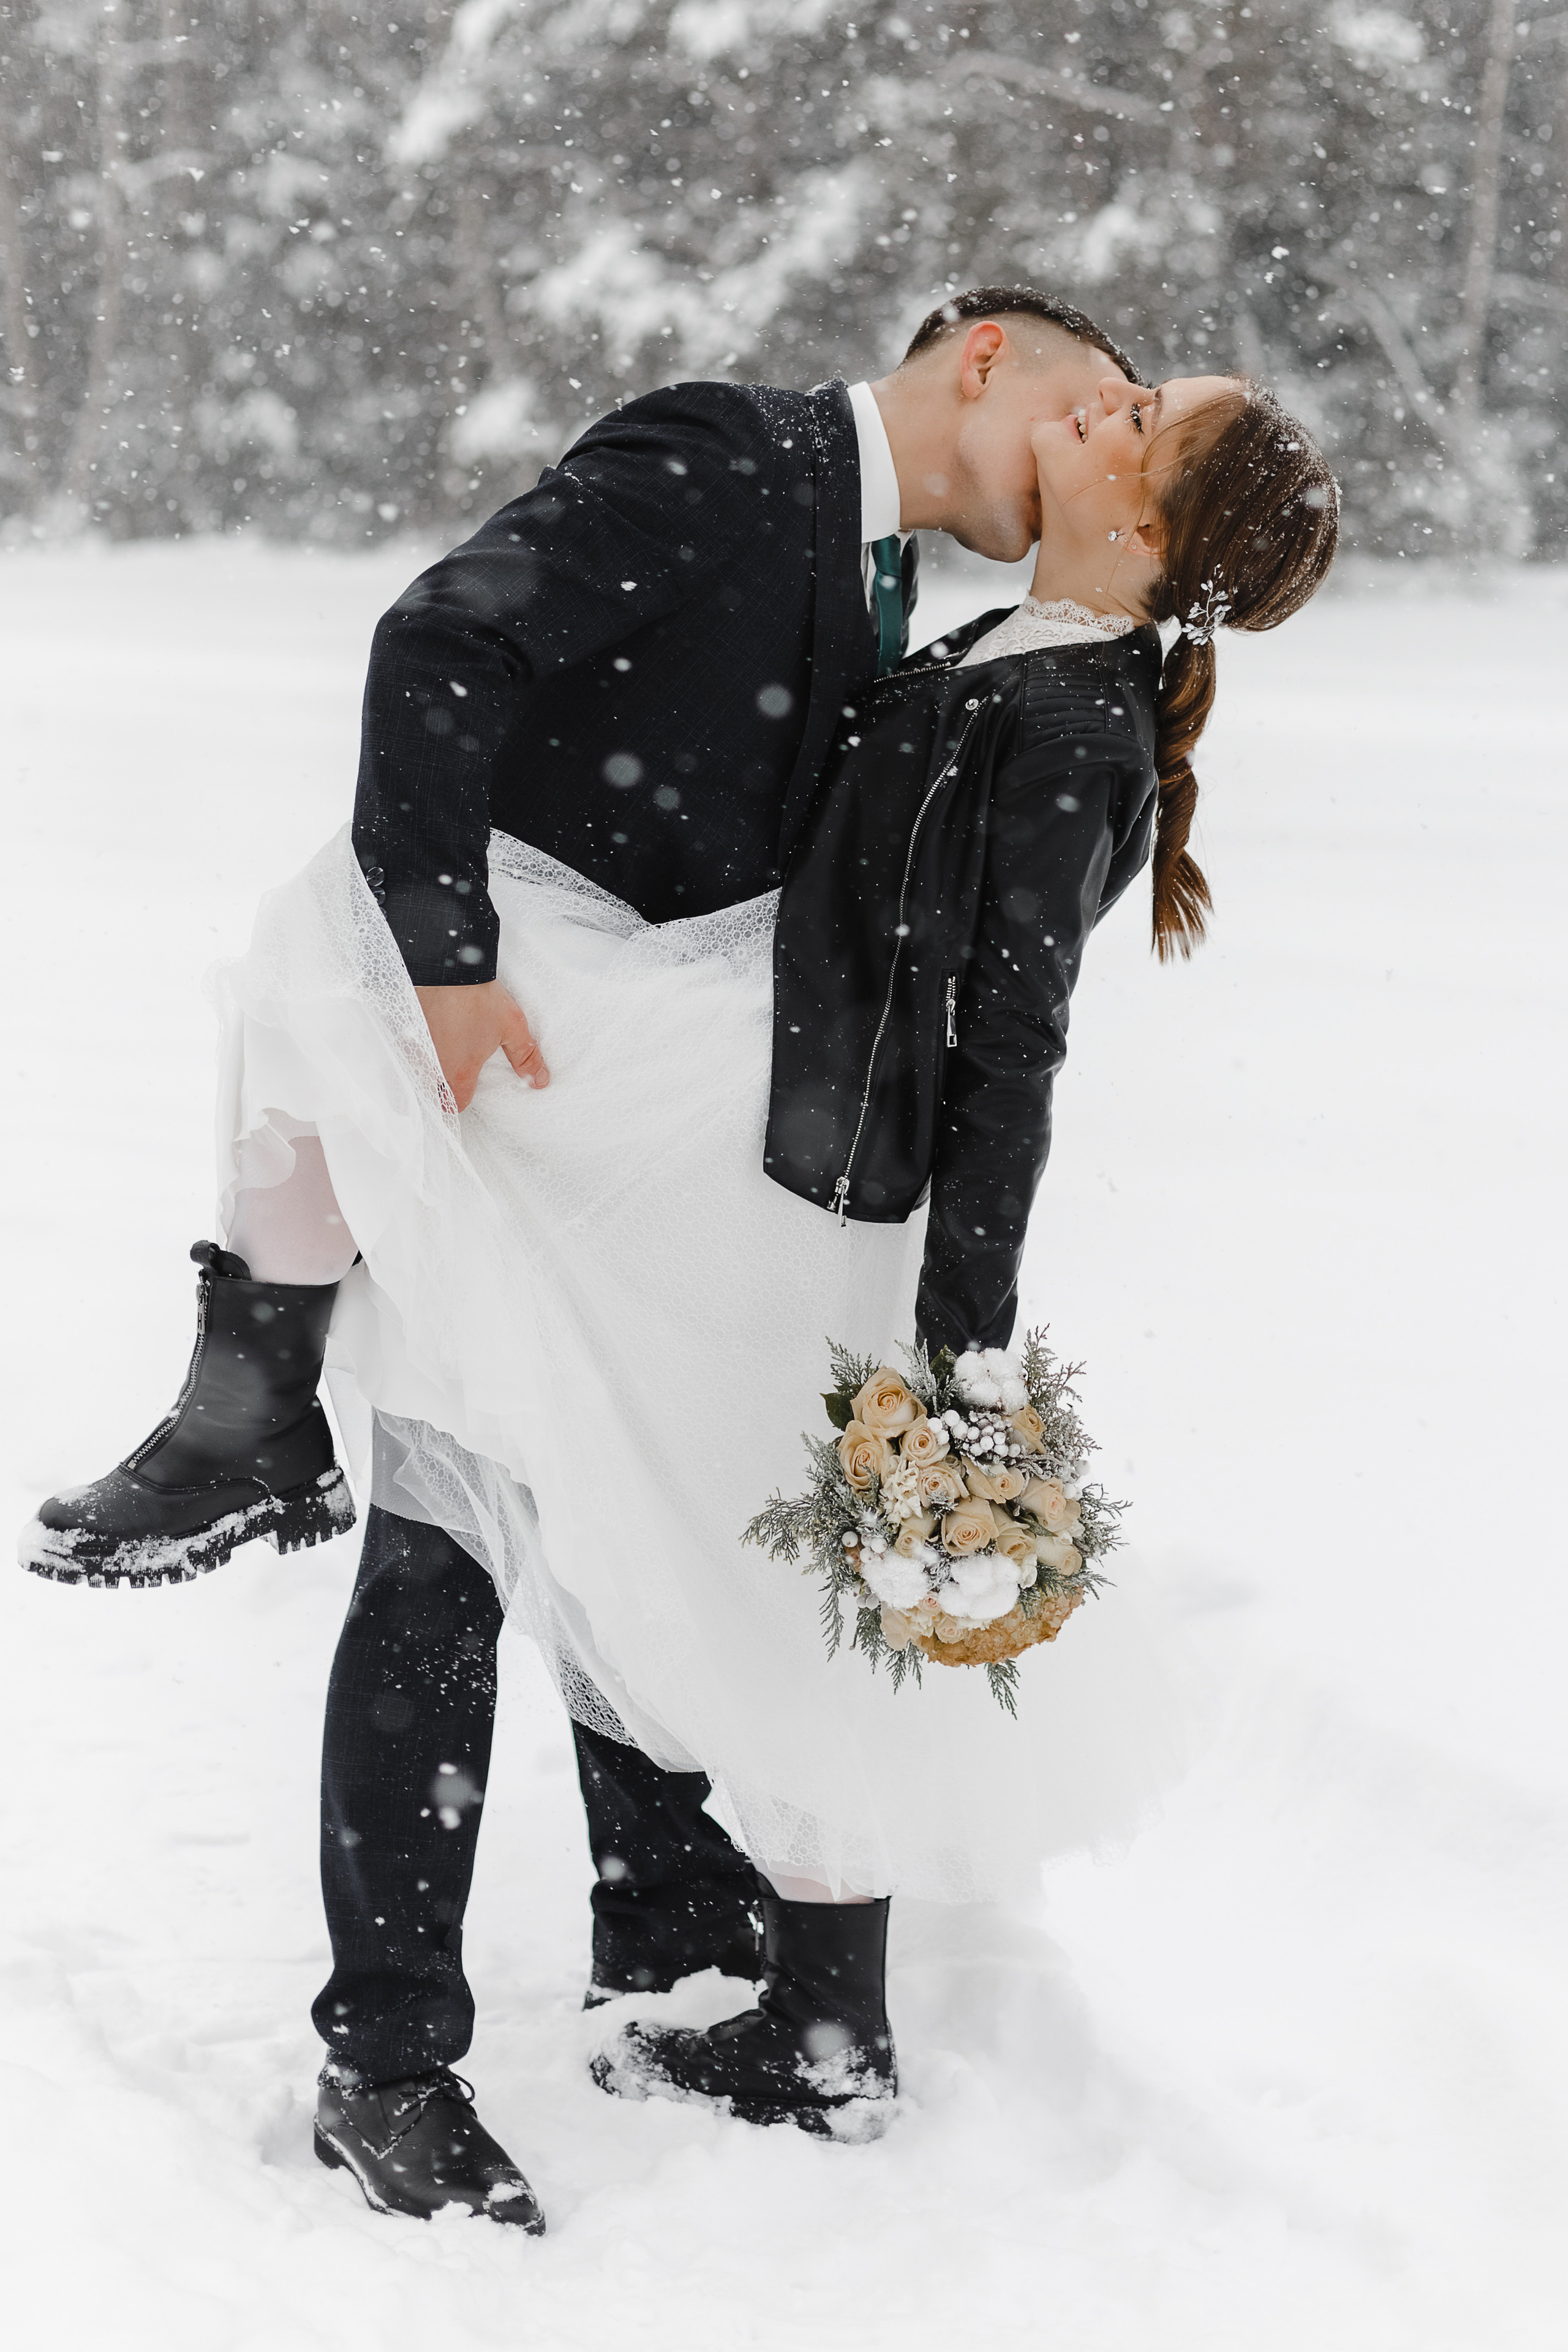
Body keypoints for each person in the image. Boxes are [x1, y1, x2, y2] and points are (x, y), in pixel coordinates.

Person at [21, 289, 1161, 2225]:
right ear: (989, 360)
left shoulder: (952, 619)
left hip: (676, 1147)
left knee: (637, 1526)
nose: (1099, 438)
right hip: (527, 1081)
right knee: (446, 1544)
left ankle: (670, 1933)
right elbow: (445, 642)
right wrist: (448, 959)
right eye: (1097, 400)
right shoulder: (731, 451)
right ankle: (388, 2059)